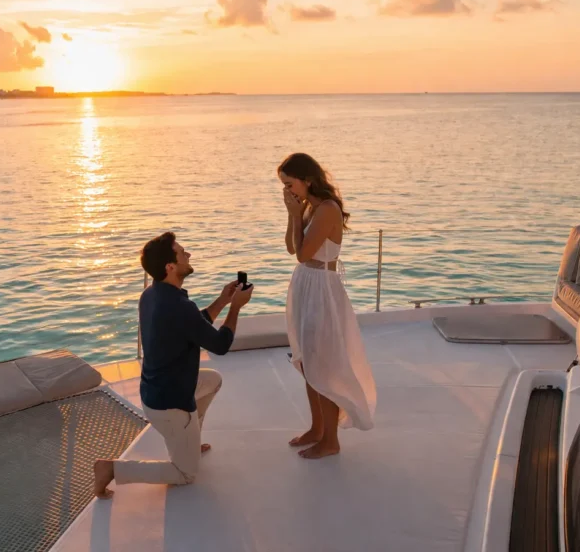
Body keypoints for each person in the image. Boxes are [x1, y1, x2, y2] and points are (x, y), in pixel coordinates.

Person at [94, 232, 254, 497]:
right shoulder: (179, 306)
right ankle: (111, 469)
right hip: (170, 403)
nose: (188, 255)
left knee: (212, 380)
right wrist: (236, 308)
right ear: (170, 266)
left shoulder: (153, 295)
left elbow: (194, 324)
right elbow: (221, 344)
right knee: (186, 474)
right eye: (182, 252)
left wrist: (224, 300)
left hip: (155, 392)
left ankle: (189, 439)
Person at [278, 152, 377, 459]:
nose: (287, 191)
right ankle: (317, 428)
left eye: (289, 184)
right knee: (308, 362)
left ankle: (330, 441)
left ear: (307, 180)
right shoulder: (310, 207)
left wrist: (295, 215)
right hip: (306, 284)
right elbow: (291, 246)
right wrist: (293, 214)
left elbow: (304, 253)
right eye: (283, 185)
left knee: (323, 364)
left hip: (321, 286)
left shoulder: (327, 209)